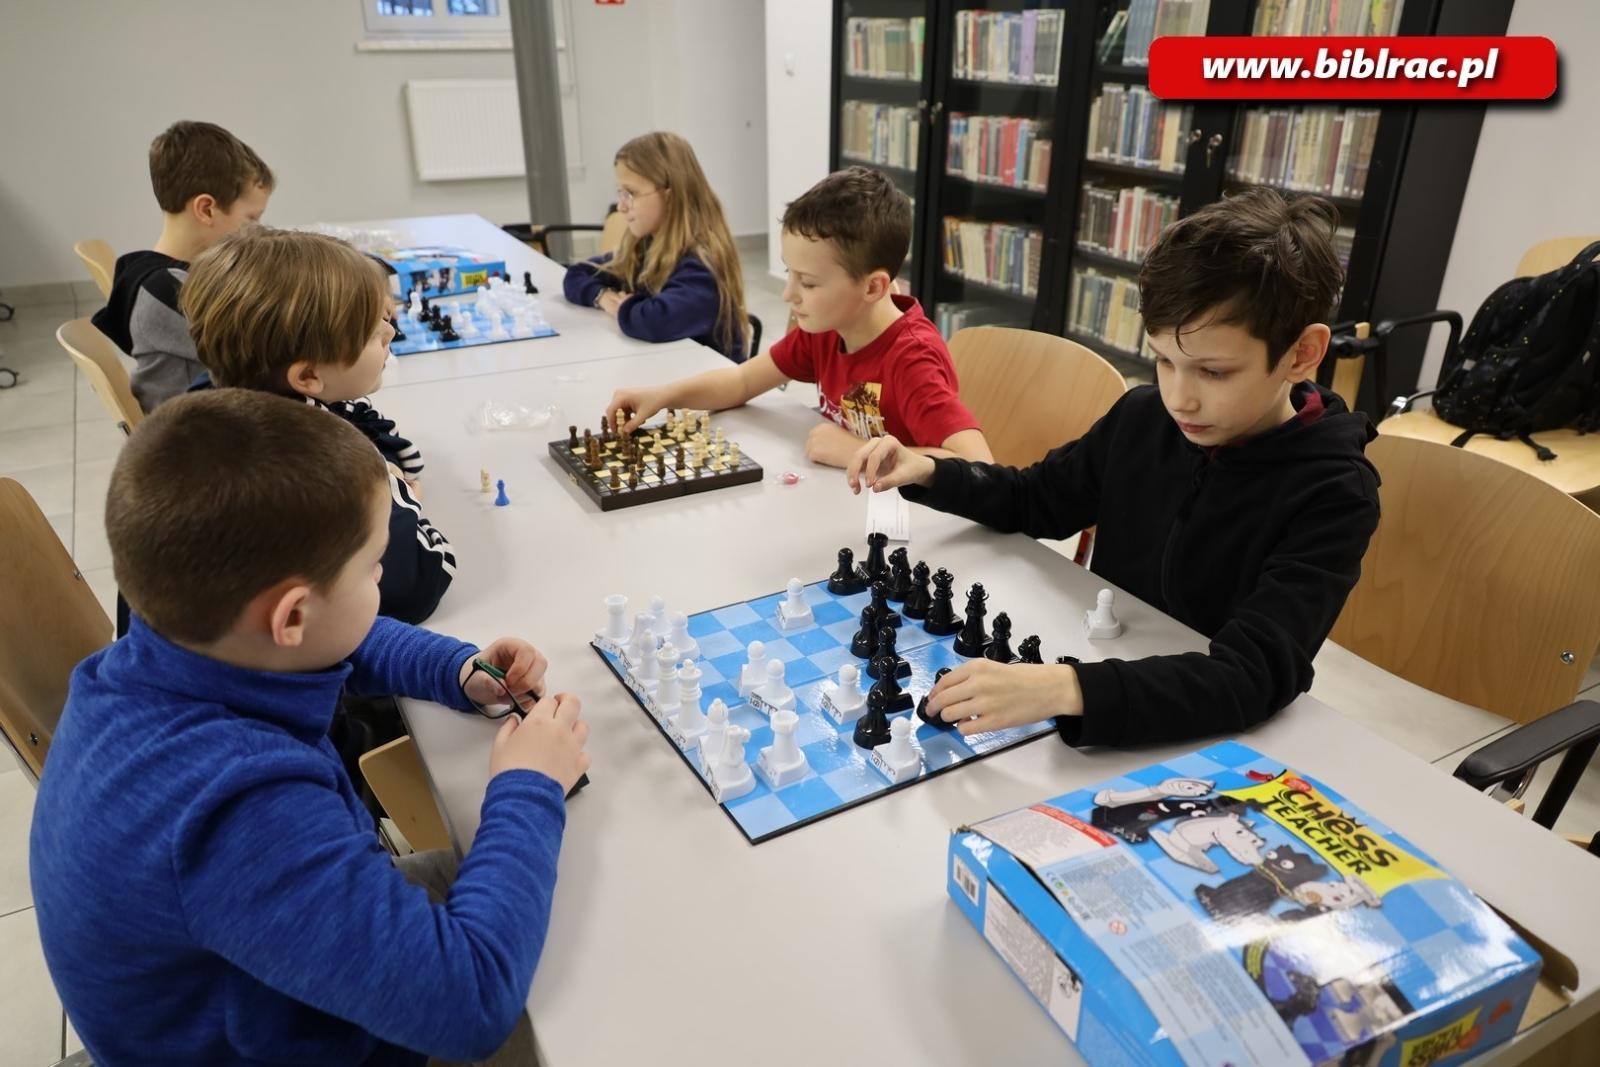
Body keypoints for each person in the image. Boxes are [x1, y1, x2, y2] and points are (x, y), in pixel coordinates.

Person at [30, 389, 590, 1064]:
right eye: (372, 568)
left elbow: (338, 639)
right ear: (291, 615)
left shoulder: (159, 653)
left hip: (258, 979)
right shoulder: (238, 808)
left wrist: (455, 670)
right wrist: (527, 784)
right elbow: (469, 1002)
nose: (382, 580)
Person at [849, 188, 1381, 745]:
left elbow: (1251, 675)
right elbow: (1035, 499)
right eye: (1163, 361)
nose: (1180, 397)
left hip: (1205, 729)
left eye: (1214, 372)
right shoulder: (1144, 416)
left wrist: (1063, 689)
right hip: (1107, 662)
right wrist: (930, 470)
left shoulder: (1335, 491)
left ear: (1301, 354)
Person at [607, 167, 992, 468]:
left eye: (807, 283)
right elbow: (742, 381)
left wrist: (857, 450)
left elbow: (976, 465)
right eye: (789, 274)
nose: (788, 294)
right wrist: (662, 397)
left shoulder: (911, 359)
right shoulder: (826, 328)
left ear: (873, 288)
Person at [182, 226, 456, 623]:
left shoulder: (222, 391)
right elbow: (420, 581)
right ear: (308, 377)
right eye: (371, 332)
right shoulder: (324, 468)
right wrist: (394, 490)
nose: (390, 331)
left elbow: (376, 434)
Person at [91, 120, 273, 412]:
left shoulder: (163, 276)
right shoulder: (167, 290)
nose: (256, 229)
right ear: (206, 209)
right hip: (198, 439)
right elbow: (260, 354)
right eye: (251, 219)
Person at [564, 131, 750, 361]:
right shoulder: (644, 245)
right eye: (619, 193)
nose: (621, 207)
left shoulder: (702, 261)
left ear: (671, 196)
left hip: (711, 389)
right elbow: (577, 274)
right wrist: (603, 296)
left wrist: (624, 307)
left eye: (630, 193)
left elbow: (656, 321)